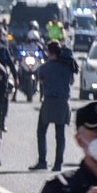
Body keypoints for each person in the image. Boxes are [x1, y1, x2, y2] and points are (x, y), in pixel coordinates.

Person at [32, 40, 78, 172]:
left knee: (41, 131)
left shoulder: (44, 67)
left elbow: (41, 81)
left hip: (49, 101)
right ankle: (58, 163)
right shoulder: (67, 66)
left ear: (49, 52)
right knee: (60, 133)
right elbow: (72, 81)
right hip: (63, 102)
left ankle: (42, 161)